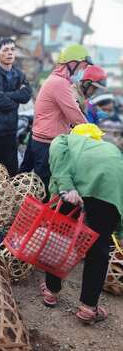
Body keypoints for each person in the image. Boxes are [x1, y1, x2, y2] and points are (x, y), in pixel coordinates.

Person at [40, 123, 123, 324]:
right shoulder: (111, 150)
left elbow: (59, 164)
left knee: (59, 238)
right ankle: (88, 307)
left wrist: (66, 188)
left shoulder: (64, 140)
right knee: (99, 249)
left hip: (75, 190)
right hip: (110, 193)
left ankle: (51, 291)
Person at [23, 44, 91, 190]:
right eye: (81, 67)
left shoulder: (56, 80)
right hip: (47, 145)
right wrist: (93, 133)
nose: (81, 72)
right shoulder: (60, 83)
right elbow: (75, 115)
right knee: (48, 190)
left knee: (38, 187)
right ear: (72, 64)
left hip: (40, 140)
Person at [0, 38, 32, 176]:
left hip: (10, 131)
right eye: (5, 50)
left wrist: (6, 95)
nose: (10, 53)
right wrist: (16, 99)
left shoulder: (20, 75)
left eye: (12, 49)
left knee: (11, 172)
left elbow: (26, 95)